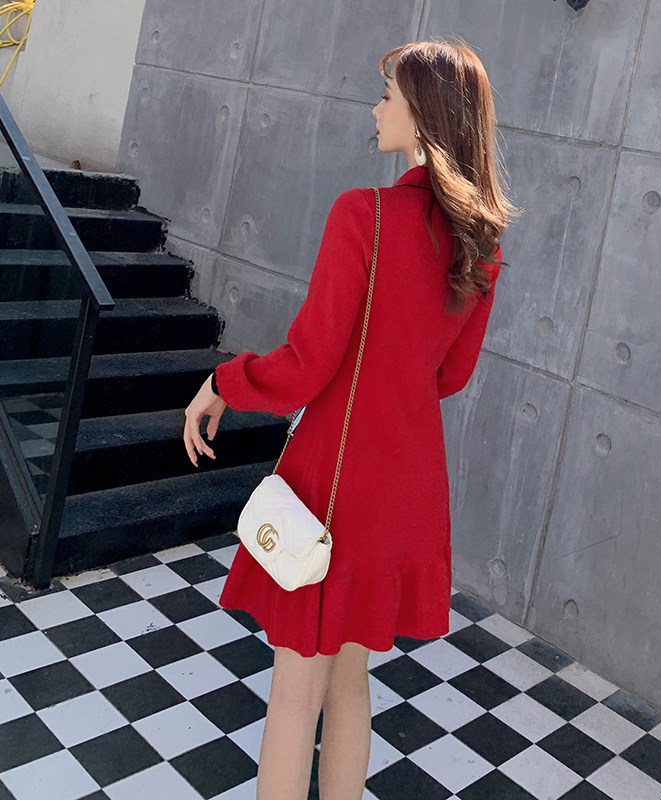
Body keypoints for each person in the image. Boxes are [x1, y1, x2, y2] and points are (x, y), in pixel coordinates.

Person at [182, 38, 516, 800]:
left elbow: (306, 365)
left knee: (296, 691)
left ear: (422, 116)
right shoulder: (482, 244)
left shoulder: (364, 214)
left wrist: (224, 381)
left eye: (388, 96)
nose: (375, 109)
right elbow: (451, 376)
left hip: (336, 482)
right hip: (407, 486)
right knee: (350, 681)